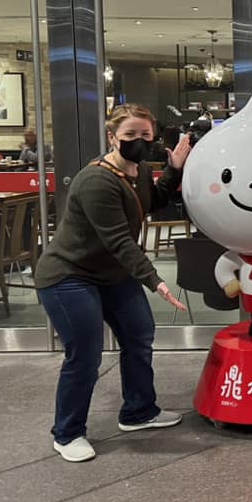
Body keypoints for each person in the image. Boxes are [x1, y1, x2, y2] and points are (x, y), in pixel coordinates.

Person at [33, 103, 191, 462]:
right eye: (130, 135)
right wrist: (154, 280)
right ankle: (67, 433)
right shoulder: (96, 180)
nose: (139, 142)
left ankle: (138, 412)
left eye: (145, 136)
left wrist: (173, 169)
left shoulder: (136, 172)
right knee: (85, 355)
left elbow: (152, 202)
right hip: (68, 276)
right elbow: (118, 240)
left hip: (111, 275)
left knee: (139, 335)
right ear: (111, 137)